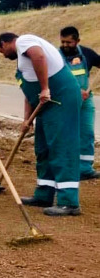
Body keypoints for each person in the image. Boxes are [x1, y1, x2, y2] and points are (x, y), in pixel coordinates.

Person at [0, 32, 82, 216]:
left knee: (62, 147)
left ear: (5, 43)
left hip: (61, 99)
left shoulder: (24, 41)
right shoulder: (22, 65)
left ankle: (69, 201)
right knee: (42, 148)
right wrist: (27, 120)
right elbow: (30, 92)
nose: (3, 55)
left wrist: (45, 88)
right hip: (45, 105)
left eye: (1, 50)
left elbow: (39, 55)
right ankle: (44, 193)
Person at [59, 26, 100, 180]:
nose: (65, 45)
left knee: (87, 133)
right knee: (67, 134)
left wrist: (88, 89)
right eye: (63, 42)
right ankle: (68, 166)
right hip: (65, 100)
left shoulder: (87, 53)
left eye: (68, 42)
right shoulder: (56, 56)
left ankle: (85, 168)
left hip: (85, 100)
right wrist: (75, 91)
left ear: (77, 41)